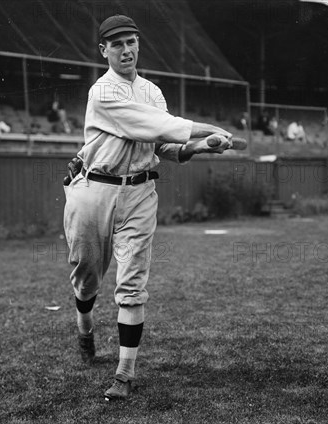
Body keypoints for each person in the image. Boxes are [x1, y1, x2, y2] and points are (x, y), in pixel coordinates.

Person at [62, 15, 235, 401]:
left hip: (140, 193)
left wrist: (199, 147)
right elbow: (151, 125)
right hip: (95, 190)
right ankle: (85, 324)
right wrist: (207, 129)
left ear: (139, 45)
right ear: (103, 50)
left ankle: (124, 373)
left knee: (132, 285)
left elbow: (164, 146)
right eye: (117, 44)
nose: (127, 50)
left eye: (132, 42)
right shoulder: (102, 92)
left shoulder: (152, 92)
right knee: (87, 277)